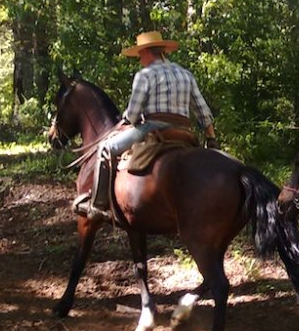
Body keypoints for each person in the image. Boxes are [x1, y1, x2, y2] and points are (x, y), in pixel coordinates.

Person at [81, 31, 217, 223]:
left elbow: (134, 113)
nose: (139, 59)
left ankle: (97, 205)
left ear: (147, 52)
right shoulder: (186, 74)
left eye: (140, 55)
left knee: (106, 148)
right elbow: (202, 109)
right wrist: (211, 138)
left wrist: (127, 121)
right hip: (184, 132)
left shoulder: (144, 75)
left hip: (154, 127)